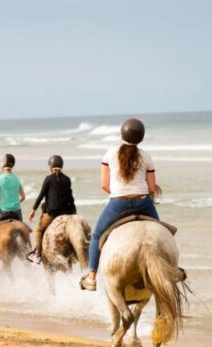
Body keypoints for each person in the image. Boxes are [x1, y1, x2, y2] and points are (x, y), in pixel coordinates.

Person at [80, 118, 159, 291]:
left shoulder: (110, 153)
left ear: (122, 133)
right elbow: (152, 187)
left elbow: (104, 184)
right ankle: (171, 269)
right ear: (141, 137)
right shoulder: (146, 156)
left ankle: (92, 277)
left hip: (118, 204)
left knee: (97, 236)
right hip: (144, 202)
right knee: (162, 233)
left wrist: (119, 194)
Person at [27, 155, 77, 263]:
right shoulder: (67, 179)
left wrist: (33, 210)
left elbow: (41, 196)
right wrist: (74, 213)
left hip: (52, 214)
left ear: (50, 166)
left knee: (39, 230)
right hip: (66, 213)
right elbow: (70, 197)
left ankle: (38, 255)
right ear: (62, 165)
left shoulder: (48, 179)